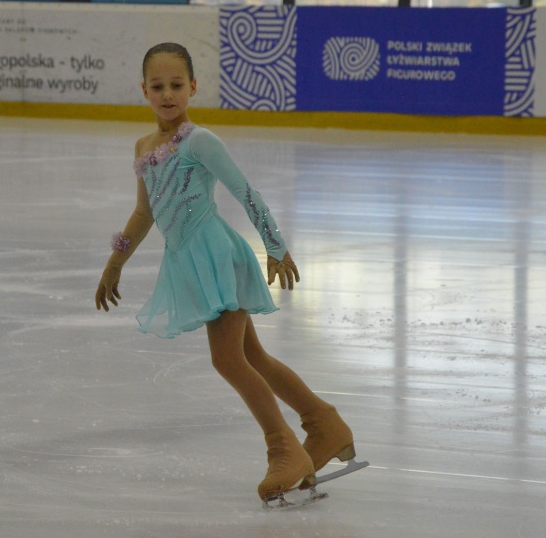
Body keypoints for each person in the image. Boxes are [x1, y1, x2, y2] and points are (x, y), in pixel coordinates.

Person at [95, 42, 355, 502]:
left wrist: (275, 246)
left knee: (228, 359)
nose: (168, 94)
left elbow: (244, 191)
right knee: (252, 357)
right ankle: (323, 423)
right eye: (158, 86)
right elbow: (143, 214)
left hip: (217, 256)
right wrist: (116, 261)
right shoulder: (144, 147)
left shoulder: (199, 141)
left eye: (177, 85)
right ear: (144, 91)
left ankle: (284, 448)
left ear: (193, 88)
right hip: (189, 262)